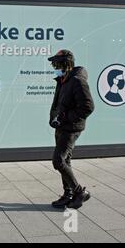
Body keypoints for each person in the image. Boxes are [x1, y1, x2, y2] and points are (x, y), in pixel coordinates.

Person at [48, 49, 94, 209]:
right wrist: (54, 118)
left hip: (71, 128)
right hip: (61, 126)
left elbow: (88, 107)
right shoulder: (62, 80)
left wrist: (65, 117)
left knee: (58, 161)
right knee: (65, 160)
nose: (55, 67)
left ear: (66, 64)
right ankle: (68, 195)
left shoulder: (77, 81)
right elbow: (58, 104)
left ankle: (79, 192)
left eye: (57, 64)